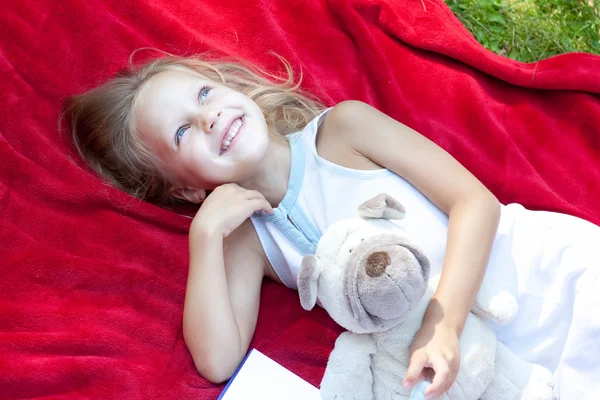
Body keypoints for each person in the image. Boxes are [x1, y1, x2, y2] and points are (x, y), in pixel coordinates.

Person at [61, 53, 600, 399]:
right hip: (484, 365)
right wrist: (205, 239)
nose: (209, 119)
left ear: (227, 85)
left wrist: (443, 323)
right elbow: (218, 358)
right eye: (183, 133)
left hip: (537, 278)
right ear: (183, 189)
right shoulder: (252, 237)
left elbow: (474, 203)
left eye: (203, 95)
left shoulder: (342, 129)